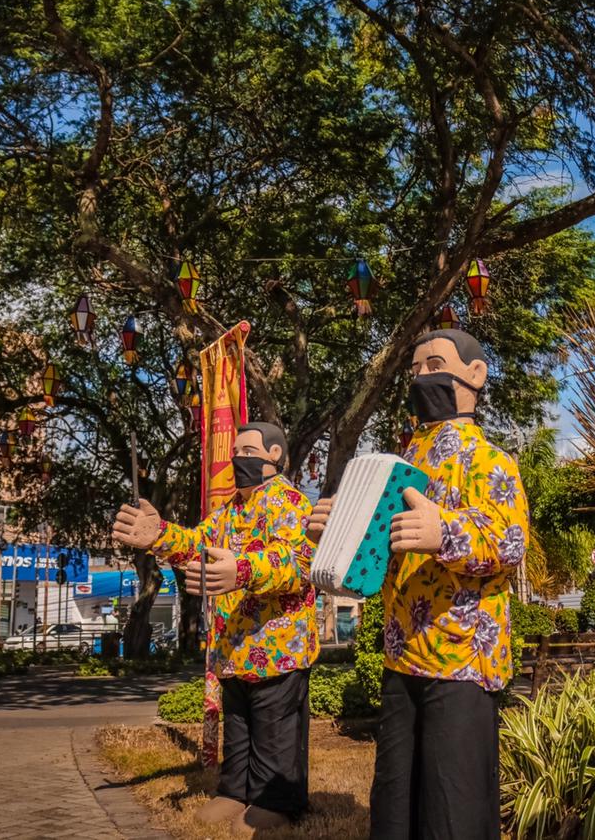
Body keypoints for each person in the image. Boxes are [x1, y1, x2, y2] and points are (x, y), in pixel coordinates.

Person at [308, 329, 530, 840]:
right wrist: (338, 532)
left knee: (454, 802)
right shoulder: (402, 463)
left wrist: (445, 530)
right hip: (400, 652)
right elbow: (375, 558)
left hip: (462, 659)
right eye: (416, 369)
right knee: (394, 797)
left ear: (475, 376)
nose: (422, 377)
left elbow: (510, 542)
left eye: (435, 364)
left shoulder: (491, 460)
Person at [111, 422, 317, 833]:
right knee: (238, 721)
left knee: (275, 726)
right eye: (235, 449)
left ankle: (276, 799)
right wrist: (159, 535)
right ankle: (234, 790)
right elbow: (195, 543)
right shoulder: (228, 511)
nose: (237, 457)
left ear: (274, 455)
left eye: (248, 449)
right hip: (233, 644)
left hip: (278, 643)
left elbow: (299, 563)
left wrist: (242, 570)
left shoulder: (291, 504)